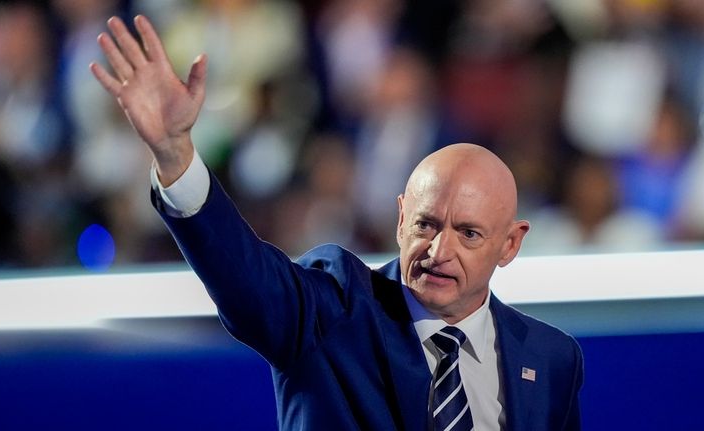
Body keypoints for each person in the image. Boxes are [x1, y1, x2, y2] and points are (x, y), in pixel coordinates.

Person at [91, 15, 583, 430]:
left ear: (511, 244)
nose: (438, 251)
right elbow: (245, 278)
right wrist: (175, 154)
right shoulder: (333, 311)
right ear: (400, 219)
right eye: (426, 225)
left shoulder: (550, 358)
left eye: (469, 233)